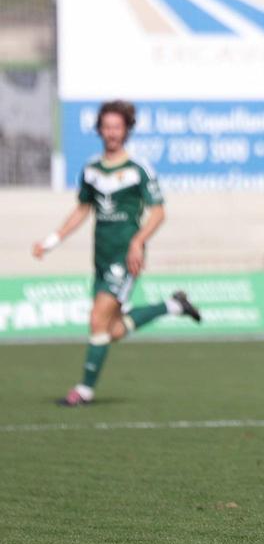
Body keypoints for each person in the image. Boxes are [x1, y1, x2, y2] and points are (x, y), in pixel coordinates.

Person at [32, 100, 201, 407]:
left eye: (117, 127)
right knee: (111, 329)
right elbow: (83, 209)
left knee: (97, 319)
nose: (111, 133)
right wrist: (52, 241)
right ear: (99, 130)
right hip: (100, 257)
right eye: (107, 127)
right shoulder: (92, 170)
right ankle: (172, 306)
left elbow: (159, 212)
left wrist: (138, 242)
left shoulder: (138, 169)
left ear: (126, 131)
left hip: (125, 257)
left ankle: (84, 390)